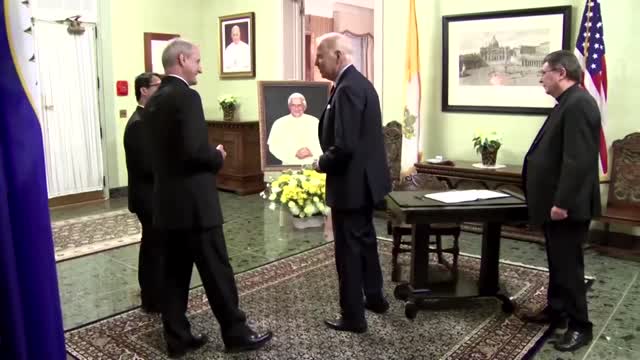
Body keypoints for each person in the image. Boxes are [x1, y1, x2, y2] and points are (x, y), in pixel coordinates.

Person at [144, 38, 272, 357]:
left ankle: (177, 338)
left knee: (174, 275)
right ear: (183, 60)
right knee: (218, 271)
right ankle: (236, 333)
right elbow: (192, 152)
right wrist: (216, 156)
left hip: (167, 205)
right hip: (195, 206)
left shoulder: (155, 99)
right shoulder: (186, 96)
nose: (201, 67)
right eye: (198, 61)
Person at [521, 50, 601, 352]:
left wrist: (562, 202)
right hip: (556, 204)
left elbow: (577, 161)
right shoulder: (567, 103)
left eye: (544, 72)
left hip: (567, 207)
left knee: (569, 266)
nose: (541, 78)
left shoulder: (578, 105)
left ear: (561, 73)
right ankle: (556, 310)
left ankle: (581, 326)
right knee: (557, 262)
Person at [313, 32, 391, 333]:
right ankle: (375, 298)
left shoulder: (347, 88)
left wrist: (322, 162)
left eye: (320, 55)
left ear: (337, 56)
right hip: (364, 182)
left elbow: (344, 146)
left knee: (348, 251)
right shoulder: (358, 83)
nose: (316, 62)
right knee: (365, 242)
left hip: (351, 184)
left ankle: (353, 317)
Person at [123, 71, 164, 314]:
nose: (161, 89)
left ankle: (154, 293)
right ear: (144, 90)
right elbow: (147, 166)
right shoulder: (139, 123)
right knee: (152, 247)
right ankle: (151, 297)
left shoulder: (149, 118)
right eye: (157, 85)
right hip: (147, 196)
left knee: (154, 245)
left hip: (154, 194)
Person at [267, 92, 322, 165]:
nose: (296, 108)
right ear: (289, 107)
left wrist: (312, 151)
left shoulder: (315, 121)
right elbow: (273, 146)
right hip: (289, 165)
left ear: (304, 106)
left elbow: (323, 142)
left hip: (312, 165)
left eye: (299, 105)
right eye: (293, 105)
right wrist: (294, 153)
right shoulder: (279, 123)